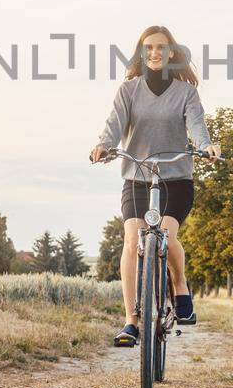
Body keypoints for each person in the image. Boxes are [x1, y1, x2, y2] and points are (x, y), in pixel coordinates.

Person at [89, 25, 220, 347]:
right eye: (148, 48)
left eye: (161, 48)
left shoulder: (186, 92)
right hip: (136, 177)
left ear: (172, 52)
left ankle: (180, 287)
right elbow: (114, 124)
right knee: (132, 243)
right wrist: (103, 146)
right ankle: (131, 322)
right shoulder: (129, 90)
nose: (155, 53)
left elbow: (196, 125)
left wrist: (206, 146)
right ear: (141, 52)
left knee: (166, 234)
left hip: (175, 179)